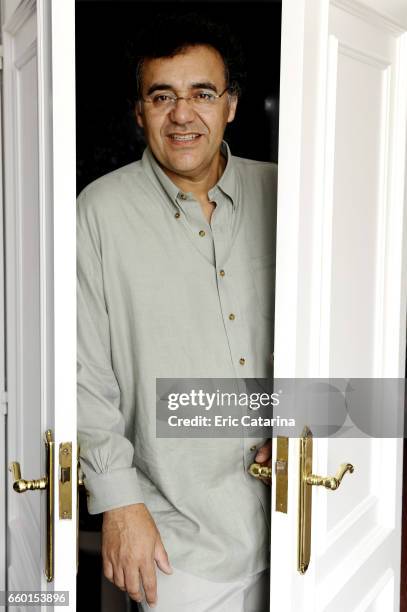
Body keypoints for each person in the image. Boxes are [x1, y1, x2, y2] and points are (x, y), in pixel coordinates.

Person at [77, 13, 277, 611]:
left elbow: (346, 330)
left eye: (202, 94)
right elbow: (82, 371)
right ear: (140, 111)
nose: (182, 114)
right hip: (177, 545)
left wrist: (304, 412)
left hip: (302, 521)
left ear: (232, 105)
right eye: (162, 96)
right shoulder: (99, 213)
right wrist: (118, 501)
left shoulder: (288, 196)